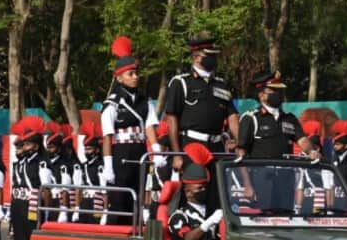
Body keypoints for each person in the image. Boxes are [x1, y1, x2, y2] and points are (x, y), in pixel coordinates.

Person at [101, 37, 162, 223]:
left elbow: (150, 126)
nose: (135, 77)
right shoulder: (112, 103)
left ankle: (134, 231)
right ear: (119, 78)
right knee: (119, 200)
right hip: (121, 153)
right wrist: (108, 165)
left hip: (140, 151)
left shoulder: (144, 101)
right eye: (130, 74)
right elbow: (107, 137)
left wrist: (157, 151)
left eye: (136, 73)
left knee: (138, 194)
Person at [165, 35, 238, 172]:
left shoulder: (221, 84)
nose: (213, 59)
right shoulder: (181, 82)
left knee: (217, 191)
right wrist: (176, 153)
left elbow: (232, 116)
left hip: (217, 147)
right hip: (192, 145)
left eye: (215, 56)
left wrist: (240, 143)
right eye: (209, 55)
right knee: (195, 188)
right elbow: (171, 118)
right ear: (197, 57)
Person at [167, 143, 223, 240]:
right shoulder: (178, 216)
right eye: (199, 188)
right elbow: (189, 239)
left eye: (205, 186)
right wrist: (209, 222)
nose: (203, 190)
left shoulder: (210, 210)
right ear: (188, 192)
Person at [5, 116, 54, 240]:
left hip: (32, 203)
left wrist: (46, 212)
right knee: (19, 235)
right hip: (19, 203)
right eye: (23, 144)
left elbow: (45, 189)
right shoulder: (22, 162)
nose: (24, 148)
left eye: (27, 144)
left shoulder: (41, 163)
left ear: (36, 145)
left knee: (31, 236)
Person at [236, 71, 313, 160]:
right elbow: (241, 151)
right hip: (260, 172)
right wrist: (245, 174)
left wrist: (311, 151)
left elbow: (302, 140)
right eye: (274, 90)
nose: (279, 93)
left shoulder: (289, 118)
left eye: (280, 90)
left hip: (286, 172)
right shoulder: (251, 118)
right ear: (261, 95)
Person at [73, 122, 106, 224]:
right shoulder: (83, 165)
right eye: (85, 149)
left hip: (97, 201)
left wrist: (105, 212)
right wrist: (77, 208)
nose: (86, 152)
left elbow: (105, 191)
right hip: (85, 201)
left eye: (89, 149)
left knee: (95, 225)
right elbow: (79, 188)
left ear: (96, 150)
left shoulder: (101, 165)